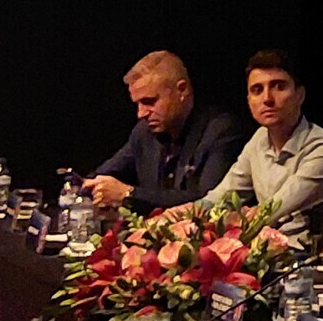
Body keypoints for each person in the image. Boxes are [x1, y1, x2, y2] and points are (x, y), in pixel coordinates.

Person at [205, 49, 323, 248]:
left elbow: (273, 211)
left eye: (279, 87)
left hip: (320, 257)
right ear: (249, 101)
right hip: (272, 251)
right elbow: (222, 196)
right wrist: (182, 216)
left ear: (300, 95)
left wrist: (228, 220)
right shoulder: (259, 139)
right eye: (257, 90)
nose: (267, 98)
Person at [84, 50, 239, 213]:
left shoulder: (220, 130)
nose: (141, 114)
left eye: (149, 101)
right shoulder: (143, 133)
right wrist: (87, 185)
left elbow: (208, 201)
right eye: (137, 104)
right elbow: (103, 174)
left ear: (182, 90)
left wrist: (129, 194)